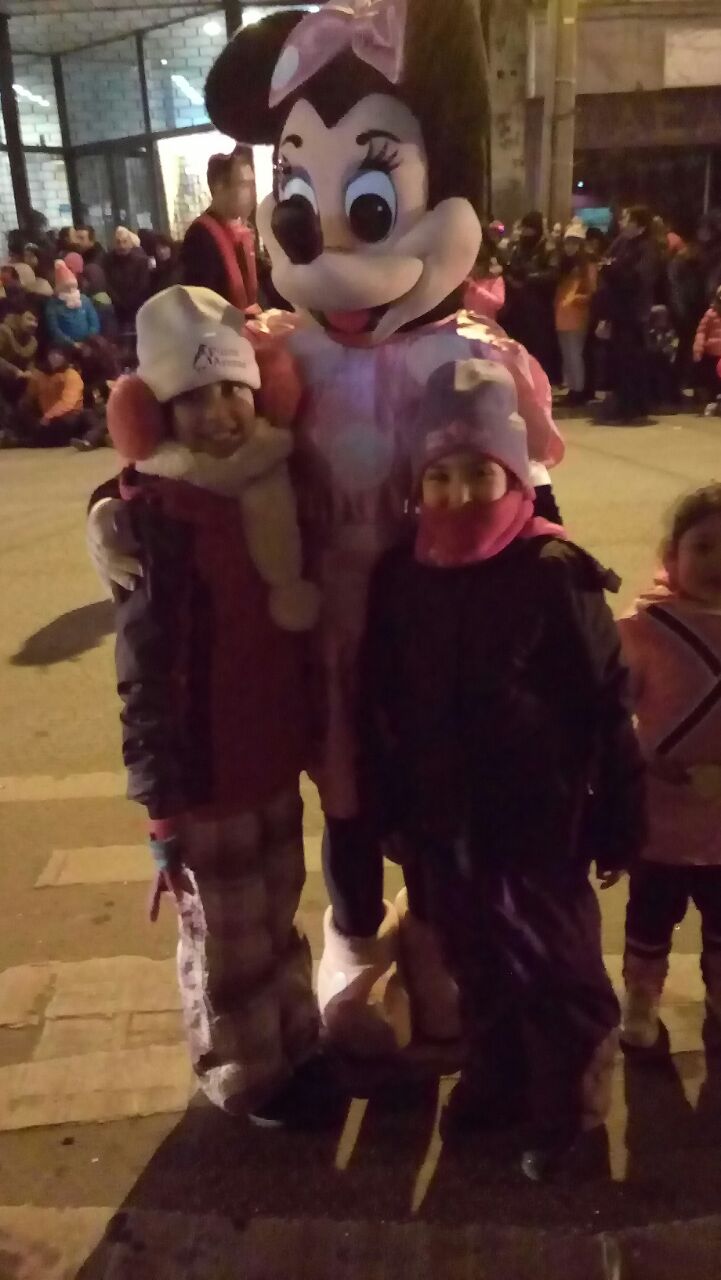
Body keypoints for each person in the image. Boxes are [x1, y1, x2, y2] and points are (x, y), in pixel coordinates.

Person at [91, 0, 565, 1058]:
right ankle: (352, 946)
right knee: (341, 792)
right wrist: (117, 511)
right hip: (314, 627)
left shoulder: (474, 358)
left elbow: (532, 512)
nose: (331, 253)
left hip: (440, 623)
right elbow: (192, 440)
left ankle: (437, 944)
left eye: (371, 204)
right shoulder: (278, 352)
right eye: (303, 206)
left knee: (436, 785)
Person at [359, 358, 646, 1178]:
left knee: (553, 967)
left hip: (535, 822)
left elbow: (604, 701)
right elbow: (381, 698)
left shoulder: (552, 571)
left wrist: (618, 812)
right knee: (472, 956)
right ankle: (499, 1073)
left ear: (514, 476)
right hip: (441, 819)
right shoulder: (401, 574)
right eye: (439, 476)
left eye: (478, 473)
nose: (458, 495)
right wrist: (386, 805)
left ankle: (568, 1107)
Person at [102, 284, 329, 1124]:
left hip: (271, 754)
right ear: (159, 412)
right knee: (227, 940)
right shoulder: (156, 515)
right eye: (195, 398)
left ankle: (295, 1039)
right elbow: (144, 670)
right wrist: (159, 800)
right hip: (204, 773)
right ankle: (248, 1073)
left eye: (234, 389)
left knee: (276, 913)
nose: (221, 412)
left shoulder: (272, 479)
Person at [618, 485, 721, 1050]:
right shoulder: (646, 628)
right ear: (671, 553)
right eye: (703, 547)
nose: (716, 562)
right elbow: (613, 710)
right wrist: (640, 765)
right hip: (661, 814)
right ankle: (641, 994)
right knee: (651, 915)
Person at [595, 205, 658, 425]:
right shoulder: (621, 242)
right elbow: (605, 262)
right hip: (616, 311)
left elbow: (639, 279)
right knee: (617, 361)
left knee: (631, 361)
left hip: (633, 314)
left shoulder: (647, 247)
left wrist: (614, 270)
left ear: (639, 225)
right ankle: (620, 403)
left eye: (627, 219)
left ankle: (632, 407)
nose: (622, 223)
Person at [180, 149, 259, 312]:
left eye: (252, 184)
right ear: (219, 187)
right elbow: (202, 307)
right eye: (244, 185)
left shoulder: (243, 230)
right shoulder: (200, 236)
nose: (251, 193)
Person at [500, 211, 559, 382]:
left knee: (539, 347)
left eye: (529, 228)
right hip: (518, 304)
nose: (525, 232)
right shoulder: (518, 246)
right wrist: (512, 279)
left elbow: (553, 274)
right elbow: (511, 268)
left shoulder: (548, 247)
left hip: (539, 305)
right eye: (524, 228)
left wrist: (529, 277)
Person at [0, 345, 98, 448]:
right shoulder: (39, 376)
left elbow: (68, 402)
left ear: (65, 358)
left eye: (59, 355)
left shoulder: (72, 375)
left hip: (70, 417)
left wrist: (48, 416)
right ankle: (12, 438)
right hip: (49, 420)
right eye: (52, 354)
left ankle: (88, 441)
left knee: (90, 417)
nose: (55, 357)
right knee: (22, 416)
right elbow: (28, 398)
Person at [554, 219, 597, 406]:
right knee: (567, 354)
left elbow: (592, 291)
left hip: (577, 315)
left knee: (574, 354)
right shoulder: (565, 264)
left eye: (574, 243)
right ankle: (572, 388)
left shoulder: (587, 265)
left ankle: (578, 390)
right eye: (567, 243)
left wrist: (576, 299)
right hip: (562, 314)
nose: (569, 247)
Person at [45, 260, 101, 349]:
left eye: (73, 287)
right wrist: (71, 344)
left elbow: (94, 321)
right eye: (67, 288)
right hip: (64, 348)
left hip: (88, 345)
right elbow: (54, 329)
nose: (71, 290)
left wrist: (90, 339)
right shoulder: (53, 305)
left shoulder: (84, 300)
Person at [104, 226, 151, 330]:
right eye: (118, 242)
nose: (122, 246)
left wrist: (130, 302)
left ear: (130, 242)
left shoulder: (141, 261)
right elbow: (107, 283)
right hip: (116, 308)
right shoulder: (108, 260)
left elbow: (143, 285)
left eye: (125, 241)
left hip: (137, 307)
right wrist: (118, 301)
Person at [463, 225, 506, 321]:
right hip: (467, 323)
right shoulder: (469, 278)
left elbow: (498, 303)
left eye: (475, 265)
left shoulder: (495, 279)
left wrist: (477, 289)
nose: (472, 268)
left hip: (486, 325)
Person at [647, 304, 681, 413]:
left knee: (668, 375)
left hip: (667, 359)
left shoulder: (670, 331)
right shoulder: (650, 331)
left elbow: (675, 342)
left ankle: (670, 398)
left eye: (663, 316)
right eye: (658, 317)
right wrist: (656, 346)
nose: (662, 320)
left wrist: (671, 348)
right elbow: (649, 346)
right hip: (653, 359)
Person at [693, 286, 721, 409]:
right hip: (711, 354)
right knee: (711, 379)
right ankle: (711, 399)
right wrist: (698, 348)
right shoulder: (710, 314)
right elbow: (701, 332)